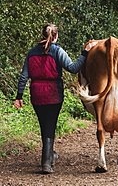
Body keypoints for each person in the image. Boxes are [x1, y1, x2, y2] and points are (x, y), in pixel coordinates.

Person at [13, 24, 96, 174]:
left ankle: (50, 156)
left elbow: (24, 76)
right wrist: (85, 53)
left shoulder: (31, 53)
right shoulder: (57, 51)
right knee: (50, 125)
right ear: (56, 36)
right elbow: (73, 68)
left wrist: (19, 96)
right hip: (53, 93)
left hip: (36, 94)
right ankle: (46, 163)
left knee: (44, 125)